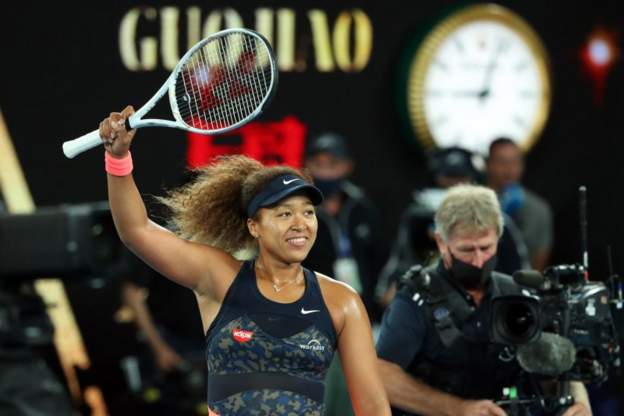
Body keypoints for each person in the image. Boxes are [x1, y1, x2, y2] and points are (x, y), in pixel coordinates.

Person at [98, 106, 391, 415]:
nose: (300, 223)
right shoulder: (221, 277)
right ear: (254, 226)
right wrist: (118, 159)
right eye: (284, 214)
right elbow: (136, 231)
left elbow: (372, 405)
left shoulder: (342, 301)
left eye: (307, 212)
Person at [375, 184, 591, 416]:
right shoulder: (415, 299)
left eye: (486, 247)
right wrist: (457, 409)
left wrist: (577, 401)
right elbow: (381, 375)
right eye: (467, 249)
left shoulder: (518, 295)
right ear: (441, 243)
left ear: (499, 237)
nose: (478, 261)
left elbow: (554, 362)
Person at [302, 132, 388, 416]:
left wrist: (384, 293)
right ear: (308, 166)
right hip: (315, 321)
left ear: (347, 166)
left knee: (363, 395)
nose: (327, 170)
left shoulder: (362, 206)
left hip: (365, 315)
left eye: (334, 163)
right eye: (320, 163)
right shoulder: (298, 211)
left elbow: (382, 258)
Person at [375, 147, 528, 306]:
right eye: (448, 179)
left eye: (461, 179)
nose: (454, 187)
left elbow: (520, 279)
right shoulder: (417, 220)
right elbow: (391, 285)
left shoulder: (498, 220)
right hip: (431, 309)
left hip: (489, 307)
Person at [486, 138, 554, 271]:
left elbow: (539, 263)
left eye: (515, 162)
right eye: (502, 162)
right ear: (488, 164)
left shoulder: (540, 210)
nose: (509, 169)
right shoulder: (473, 206)